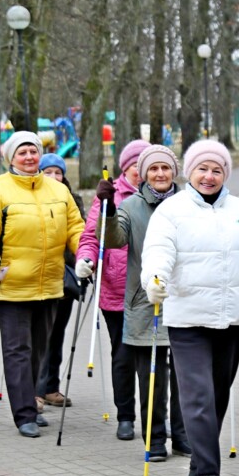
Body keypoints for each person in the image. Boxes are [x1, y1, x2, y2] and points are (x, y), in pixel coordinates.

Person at [141, 140, 239, 476]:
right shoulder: (172, 211)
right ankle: (209, 474)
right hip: (188, 317)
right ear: (189, 172)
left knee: (219, 393)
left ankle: (199, 462)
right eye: (202, 169)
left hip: (231, 317)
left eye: (217, 170)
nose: (209, 176)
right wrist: (156, 280)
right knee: (198, 398)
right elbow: (158, 252)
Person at [0, 131, 84, 437]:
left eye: (33, 151)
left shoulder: (58, 191)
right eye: (22, 152)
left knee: (38, 350)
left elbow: (76, 227)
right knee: (17, 349)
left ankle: (32, 399)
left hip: (49, 283)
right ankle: (24, 415)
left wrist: (84, 254)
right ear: (11, 157)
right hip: (11, 283)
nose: (30, 157)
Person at [103, 145, 189, 464]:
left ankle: (183, 435)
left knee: (185, 377)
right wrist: (109, 212)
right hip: (145, 304)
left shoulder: (188, 205)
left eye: (165, 168)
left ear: (174, 171)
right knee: (151, 377)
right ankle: (154, 438)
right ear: (143, 173)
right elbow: (115, 240)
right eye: (153, 169)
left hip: (182, 302)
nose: (160, 174)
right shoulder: (131, 206)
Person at [74, 139, 148, 441]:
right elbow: (92, 235)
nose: (140, 173)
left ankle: (156, 419)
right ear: (125, 168)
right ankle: (126, 416)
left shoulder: (164, 196)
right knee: (123, 354)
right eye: (134, 166)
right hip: (116, 290)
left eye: (144, 166)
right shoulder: (108, 195)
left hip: (152, 291)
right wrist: (86, 258)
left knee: (155, 359)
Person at [34, 152, 86, 413]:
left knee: (57, 335)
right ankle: (36, 390)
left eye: (58, 172)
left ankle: (51, 386)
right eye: (48, 172)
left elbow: (80, 233)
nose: (54, 177)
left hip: (64, 279)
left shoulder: (71, 200)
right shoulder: (33, 197)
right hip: (39, 278)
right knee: (40, 336)